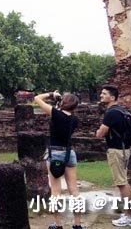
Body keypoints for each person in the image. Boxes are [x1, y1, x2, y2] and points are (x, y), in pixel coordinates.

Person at [34, 91, 82, 229]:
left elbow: (37, 98)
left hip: (55, 153)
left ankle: (58, 224)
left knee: (56, 191)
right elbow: (63, 115)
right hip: (69, 153)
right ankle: (77, 224)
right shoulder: (74, 119)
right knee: (74, 190)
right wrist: (59, 101)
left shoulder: (56, 114)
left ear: (63, 103)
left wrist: (50, 94)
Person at [95, 84, 131, 227]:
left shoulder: (111, 113)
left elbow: (100, 134)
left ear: (112, 97)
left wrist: (98, 132)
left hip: (116, 150)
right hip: (124, 149)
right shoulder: (121, 111)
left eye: (104, 93)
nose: (101, 95)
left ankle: (129, 216)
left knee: (121, 183)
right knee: (123, 181)